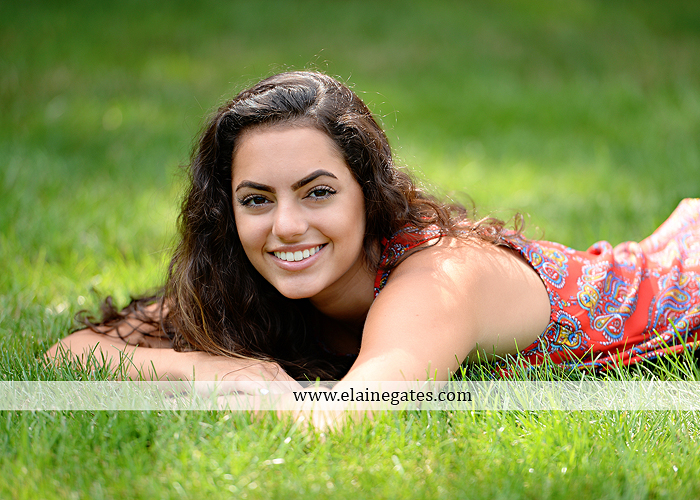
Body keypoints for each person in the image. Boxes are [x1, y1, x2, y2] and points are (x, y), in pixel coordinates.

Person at [48, 71, 700, 393]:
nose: (286, 226)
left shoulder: (438, 280)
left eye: (318, 192)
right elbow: (69, 353)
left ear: (370, 193)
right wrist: (213, 372)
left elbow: (354, 415)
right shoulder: (249, 278)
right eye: (256, 200)